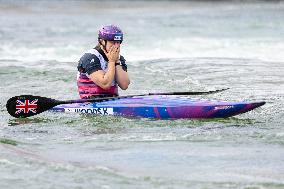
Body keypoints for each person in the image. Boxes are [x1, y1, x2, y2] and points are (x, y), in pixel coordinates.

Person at [77, 25, 130, 99]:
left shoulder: (119, 58)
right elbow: (105, 84)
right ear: (102, 41)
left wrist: (116, 62)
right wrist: (111, 62)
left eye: (118, 42)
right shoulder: (90, 57)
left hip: (112, 101)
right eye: (112, 42)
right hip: (90, 102)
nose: (116, 46)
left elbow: (124, 85)